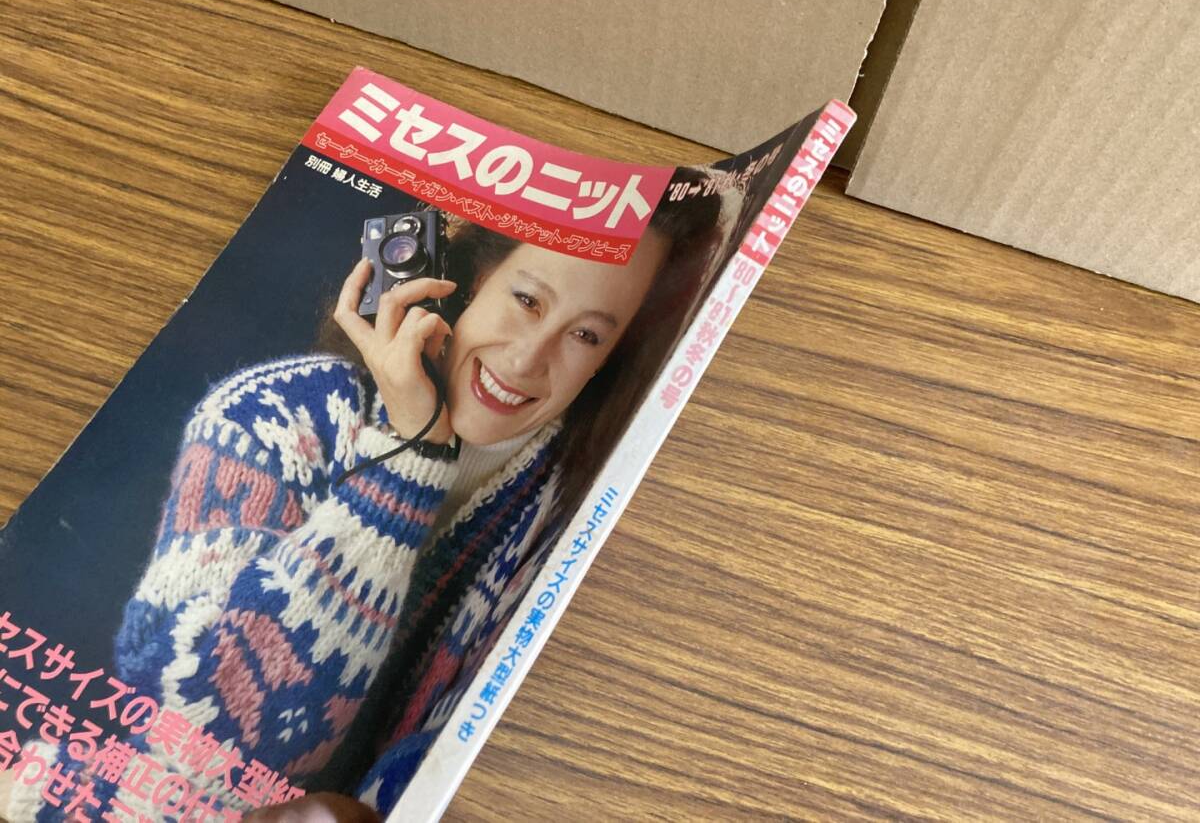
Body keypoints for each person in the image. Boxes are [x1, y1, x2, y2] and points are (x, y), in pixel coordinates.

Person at [4, 171, 724, 823]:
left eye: (586, 335)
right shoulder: (275, 416)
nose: (527, 358)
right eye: (527, 299)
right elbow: (217, 734)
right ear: (475, 278)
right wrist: (413, 456)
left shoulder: (570, 516)